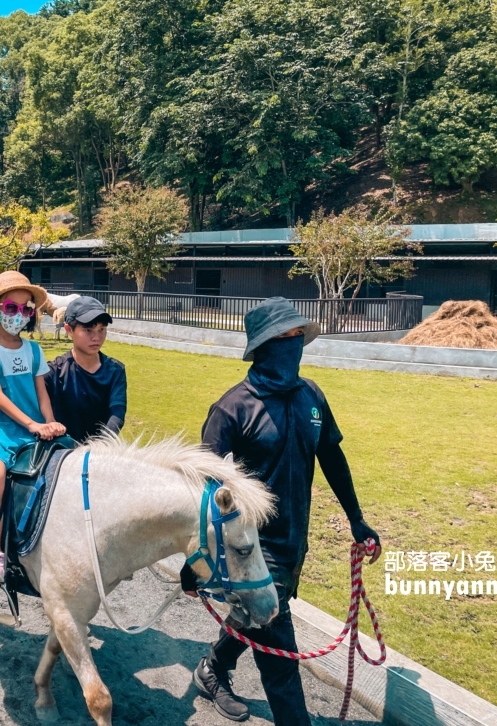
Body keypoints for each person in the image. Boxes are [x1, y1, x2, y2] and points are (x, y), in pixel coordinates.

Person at [189, 297, 382, 724]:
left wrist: (356, 518)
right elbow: (203, 491)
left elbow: (331, 456)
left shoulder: (310, 394)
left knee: (255, 617)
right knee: (282, 660)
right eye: (285, 337)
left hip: (297, 541)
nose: (294, 344)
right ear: (264, 345)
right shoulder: (232, 408)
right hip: (252, 549)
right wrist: (194, 560)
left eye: (299, 335)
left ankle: (213, 668)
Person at [0, 271, 66, 583]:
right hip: (0, 430)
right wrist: (34, 424)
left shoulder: (34, 350)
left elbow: (41, 392)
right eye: (12, 308)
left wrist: (50, 423)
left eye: (27, 309)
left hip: (33, 426)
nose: (20, 315)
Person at [0, 295, 127, 443]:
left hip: (100, 453)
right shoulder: (53, 372)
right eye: (88, 330)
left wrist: (100, 446)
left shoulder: (115, 371)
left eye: (102, 329)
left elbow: (117, 413)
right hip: (60, 452)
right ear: (68, 329)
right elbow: (19, 398)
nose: (96, 337)